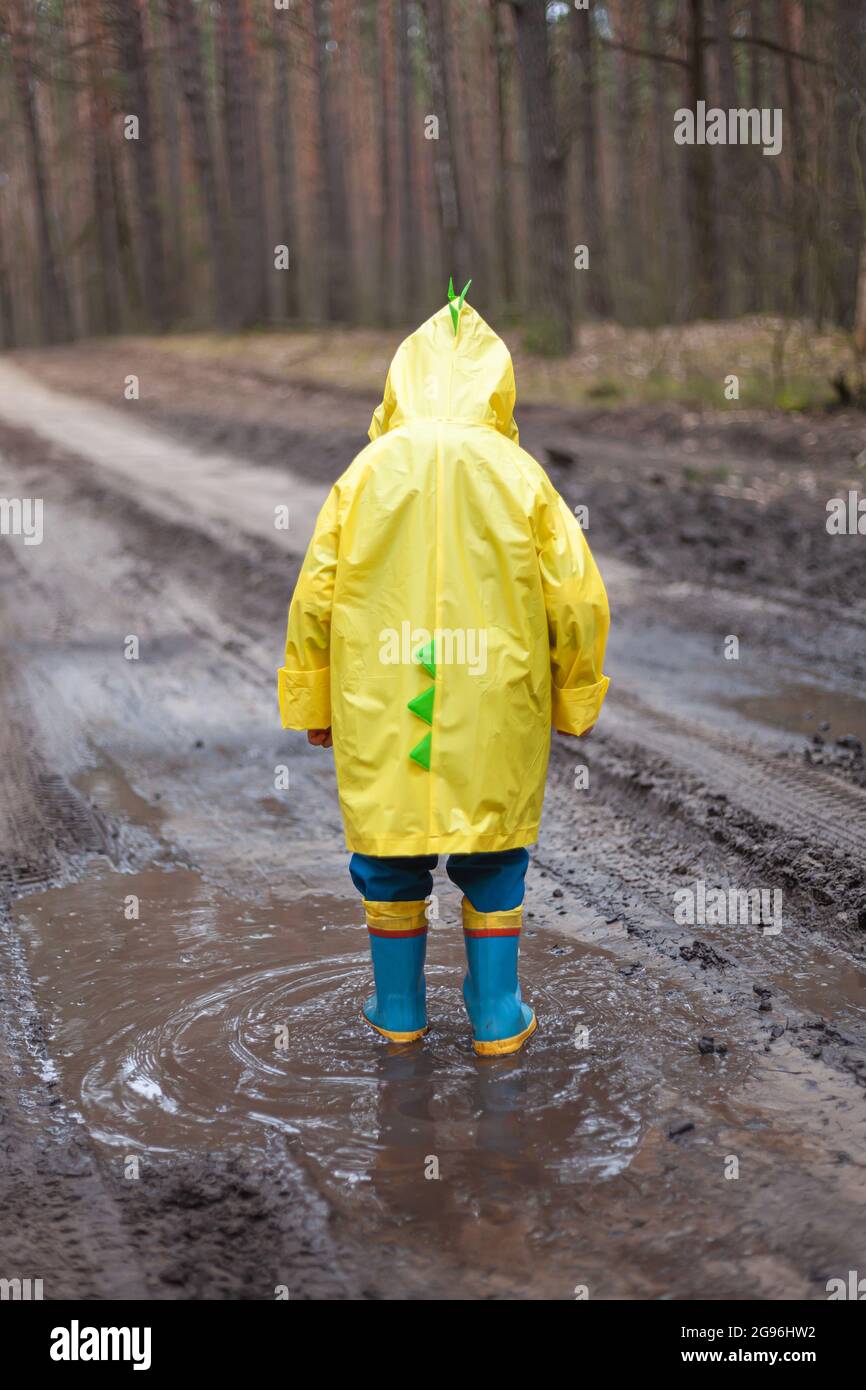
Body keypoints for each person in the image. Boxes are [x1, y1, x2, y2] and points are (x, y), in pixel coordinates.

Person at [278, 283, 610, 1056]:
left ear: (401, 380)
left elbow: (315, 596)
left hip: (381, 698)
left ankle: (397, 1013)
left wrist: (314, 699)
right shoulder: (521, 475)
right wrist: (573, 695)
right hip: (495, 702)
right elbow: (578, 598)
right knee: (493, 853)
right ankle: (496, 1015)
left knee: (389, 852)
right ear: (496, 387)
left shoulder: (364, 474)